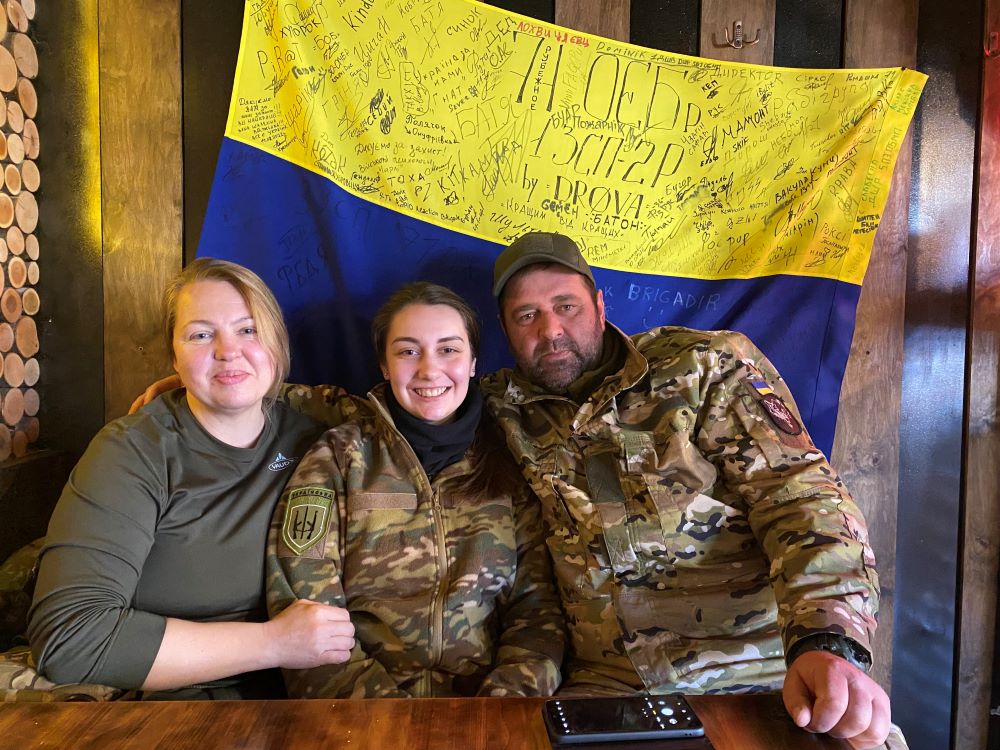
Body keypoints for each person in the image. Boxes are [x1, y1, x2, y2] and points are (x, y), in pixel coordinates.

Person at [483, 232, 894, 749]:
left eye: (565, 305)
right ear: (505, 329)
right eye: (526, 316)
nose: (551, 330)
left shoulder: (702, 367)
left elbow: (799, 498)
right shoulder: (502, 409)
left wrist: (828, 642)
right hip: (609, 692)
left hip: (755, 678)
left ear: (599, 305)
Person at [27, 258, 357, 698]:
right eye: (201, 335)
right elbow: (70, 638)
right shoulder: (133, 451)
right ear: (175, 357)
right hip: (172, 705)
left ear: (277, 342)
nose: (227, 350)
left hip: (308, 697)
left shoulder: (318, 440)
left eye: (248, 329)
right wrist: (274, 643)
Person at [266, 282, 565, 698]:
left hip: (490, 715)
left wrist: (501, 712)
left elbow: (537, 611)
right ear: (385, 366)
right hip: (362, 717)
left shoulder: (510, 459)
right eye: (408, 351)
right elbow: (303, 613)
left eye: (449, 349)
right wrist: (391, 724)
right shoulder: (339, 458)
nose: (428, 369)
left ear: (474, 361)